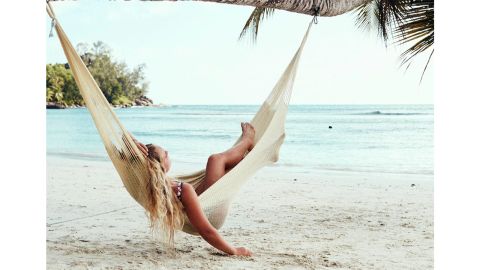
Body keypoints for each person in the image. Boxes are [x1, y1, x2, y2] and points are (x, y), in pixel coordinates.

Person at [131, 122, 255, 256]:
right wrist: (235, 251)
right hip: (210, 213)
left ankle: (242, 155)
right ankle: (247, 141)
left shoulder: (148, 183)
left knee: (221, 165)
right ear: (157, 166)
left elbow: (122, 154)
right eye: (165, 154)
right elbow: (206, 231)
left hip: (199, 203)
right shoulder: (181, 189)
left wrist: (133, 143)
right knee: (215, 160)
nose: (167, 152)